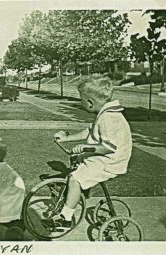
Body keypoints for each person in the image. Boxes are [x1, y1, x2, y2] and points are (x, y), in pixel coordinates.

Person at [52, 75, 132, 230]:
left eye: (80, 99)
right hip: (106, 157)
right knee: (77, 162)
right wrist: (66, 138)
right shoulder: (105, 113)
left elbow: (109, 147)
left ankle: (66, 218)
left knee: (75, 178)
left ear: (90, 102)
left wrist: (85, 148)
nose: (80, 102)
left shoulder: (109, 118)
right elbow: (90, 132)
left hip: (111, 161)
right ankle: (77, 194)